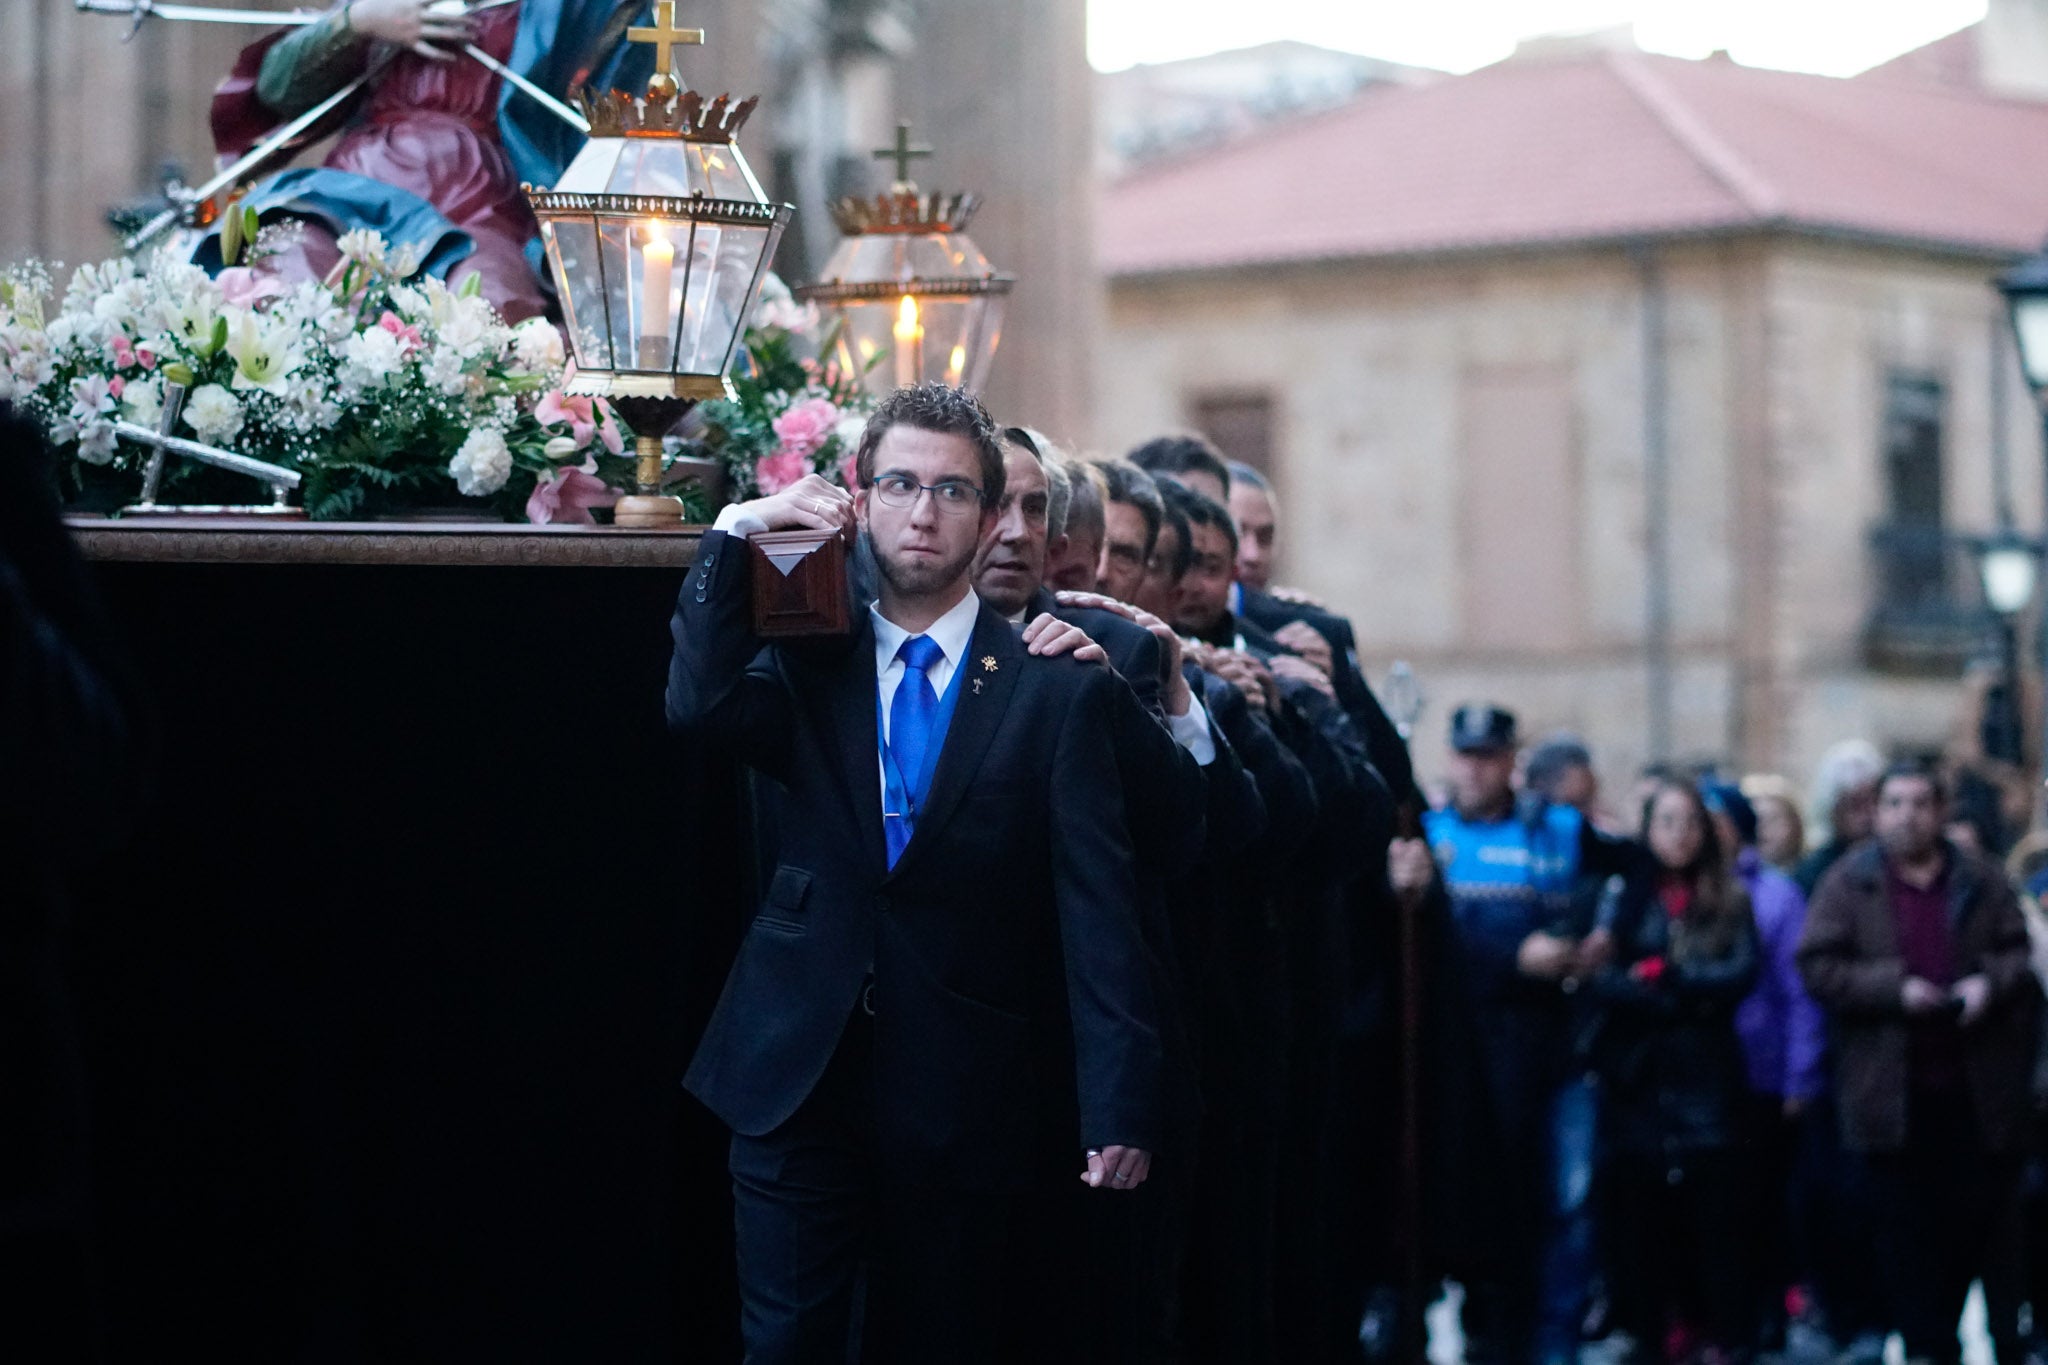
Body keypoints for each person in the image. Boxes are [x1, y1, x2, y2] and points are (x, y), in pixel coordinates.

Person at [667, 384, 1164, 1360]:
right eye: (898, 483)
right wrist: (734, 533)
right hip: (793, 1074)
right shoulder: (808, 648)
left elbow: (1095, 910)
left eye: (950, 491)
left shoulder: (1048, 690)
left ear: (989, 517)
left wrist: (1118, 1104)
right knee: (786, 1346)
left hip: (963, 1092)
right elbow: (698, 706)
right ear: (860, 496)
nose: (922, 512)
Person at [1389, 703, 1634, 1365]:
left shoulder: (1556, 828)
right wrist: (1511, 956)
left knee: (1556, 1208)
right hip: (1460, 1054)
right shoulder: (1427, 833)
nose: (1477, 769)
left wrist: (1607, 931)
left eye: (1489, 755)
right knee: (1473, 1208)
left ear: (1510, 760)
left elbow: (1637, 865)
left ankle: (1545, 1341)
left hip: (1549, 1048)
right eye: (1466, 755)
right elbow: (1429, 945)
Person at [1798, 763, 2040, 1365]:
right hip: (1891, 1096)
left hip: (1973, 1092)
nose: (1908, 816)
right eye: (1895, 804)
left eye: (1920, 803)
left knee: (1974, 1229)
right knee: (1905, 1237)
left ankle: (1961, 1333)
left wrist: (1987, 984)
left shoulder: (1979, 879)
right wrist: (1892, 990)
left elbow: (2017, 954)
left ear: (1940, 811)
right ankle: (1927, 1345)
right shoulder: (1847, 884)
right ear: (1877, 814)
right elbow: (1819, 965)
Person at [210, 1, 655, 320]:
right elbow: (278, 88)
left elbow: (616, 95)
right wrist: (360, 20)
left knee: (488, 311)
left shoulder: (563, 11)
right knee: (290, 266)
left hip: (482, 200)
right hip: (358, 185)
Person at [1589, 781, 1759, 1365]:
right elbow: (1603, 976)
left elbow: (1736, 973)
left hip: (1706, 1075)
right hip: (1641, 1077)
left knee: (1715, 1214)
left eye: (1689, 822)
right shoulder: (1624, 896)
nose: (1679, 835)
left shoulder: (1729, 898)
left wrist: (1668, 982)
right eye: (1666, 821)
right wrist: (1664, 990)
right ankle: (1648, 1328)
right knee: (1641, 1214)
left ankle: (1724, 1329)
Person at [1703, 782, 1825, 1354]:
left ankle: (1766, 1314)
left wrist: (1801, 1074)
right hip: (1697, 1077)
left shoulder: (1775, 896)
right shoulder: (1679, 891)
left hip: (1761, 1072)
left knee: (1762, 1203)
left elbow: (1799, 993)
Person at [1794, 740, 1882, 899]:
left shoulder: (1897, 863)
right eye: (1854, 805)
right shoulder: (1815, 870)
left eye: (1871, 802)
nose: (1866, 814)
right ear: (1833, 809)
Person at [1741, 774, 1806, 875]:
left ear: (1794, 822)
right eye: (1754, 820)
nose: (1761, 828)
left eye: (1773, 819)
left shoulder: (1814, 873)